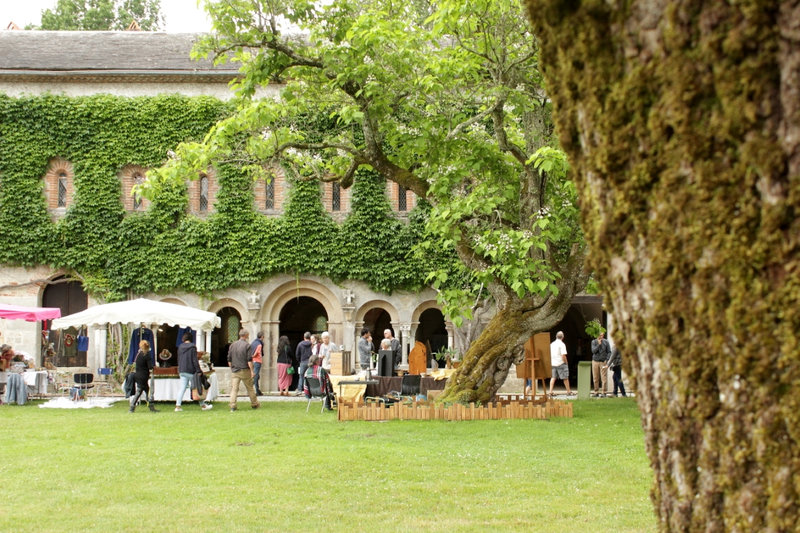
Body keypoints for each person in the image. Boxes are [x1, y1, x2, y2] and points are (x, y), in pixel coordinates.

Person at [175, 331, 209, 411]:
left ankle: (178, 406)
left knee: (182, 388)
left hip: (182, 370)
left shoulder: (180, 347)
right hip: (190, 370)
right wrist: (199, 371)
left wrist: (179, 368)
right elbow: (194, 360)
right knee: (197, 387)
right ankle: (203, 406)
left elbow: (179, 359)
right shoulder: (192, 347)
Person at [228, 329, 260, 411]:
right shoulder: (247, 345)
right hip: (244, 370)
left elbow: (229, 359)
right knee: (250, 388)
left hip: (235, 370)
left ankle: (232, 406)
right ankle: (254, 404)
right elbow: (249, 360)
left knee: (234, 389)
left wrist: (232, 368)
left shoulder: (232, 345)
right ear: (246, 335)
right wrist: (252, 371)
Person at [129, 340, 158, 413]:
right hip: (144, 376)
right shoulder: (146, 355)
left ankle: (150, 407)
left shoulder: (138, 354)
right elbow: (150, 366)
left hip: (138, 375)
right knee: (140, 391)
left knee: (146, 390)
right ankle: (132, 407)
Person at [548, 331, 572, 396]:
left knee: (553, 377)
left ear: (556, 336)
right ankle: (568, 391)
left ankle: (550, 391)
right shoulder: (562, 344)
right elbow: (563, 355)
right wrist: (566, 362)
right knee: (565, 378)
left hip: (553, 363)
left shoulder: (552, 344)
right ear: (563, 337)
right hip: (560, 363)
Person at [591, 331, 611, 397]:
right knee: (595, 377)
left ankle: (603, 392)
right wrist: (598, 344)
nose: (601, 337)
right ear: (597, 336)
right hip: (595, 361)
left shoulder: (606, 342)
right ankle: (596, 392)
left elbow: (609, 352)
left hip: (603, 361)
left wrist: (607, 359)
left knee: (603, 377)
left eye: (602, 335)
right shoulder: (593, 342)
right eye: (600, 335)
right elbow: (593, 351)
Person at [250, 331, 264, 396]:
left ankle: (258, 390)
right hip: (257, 361)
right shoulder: (259, 344)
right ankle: (254, 390)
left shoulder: (253, 343)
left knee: (257, 376)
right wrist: (254, 356)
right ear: (261, 337)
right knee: (255, 376)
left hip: (253, 361)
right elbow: (257, 353)